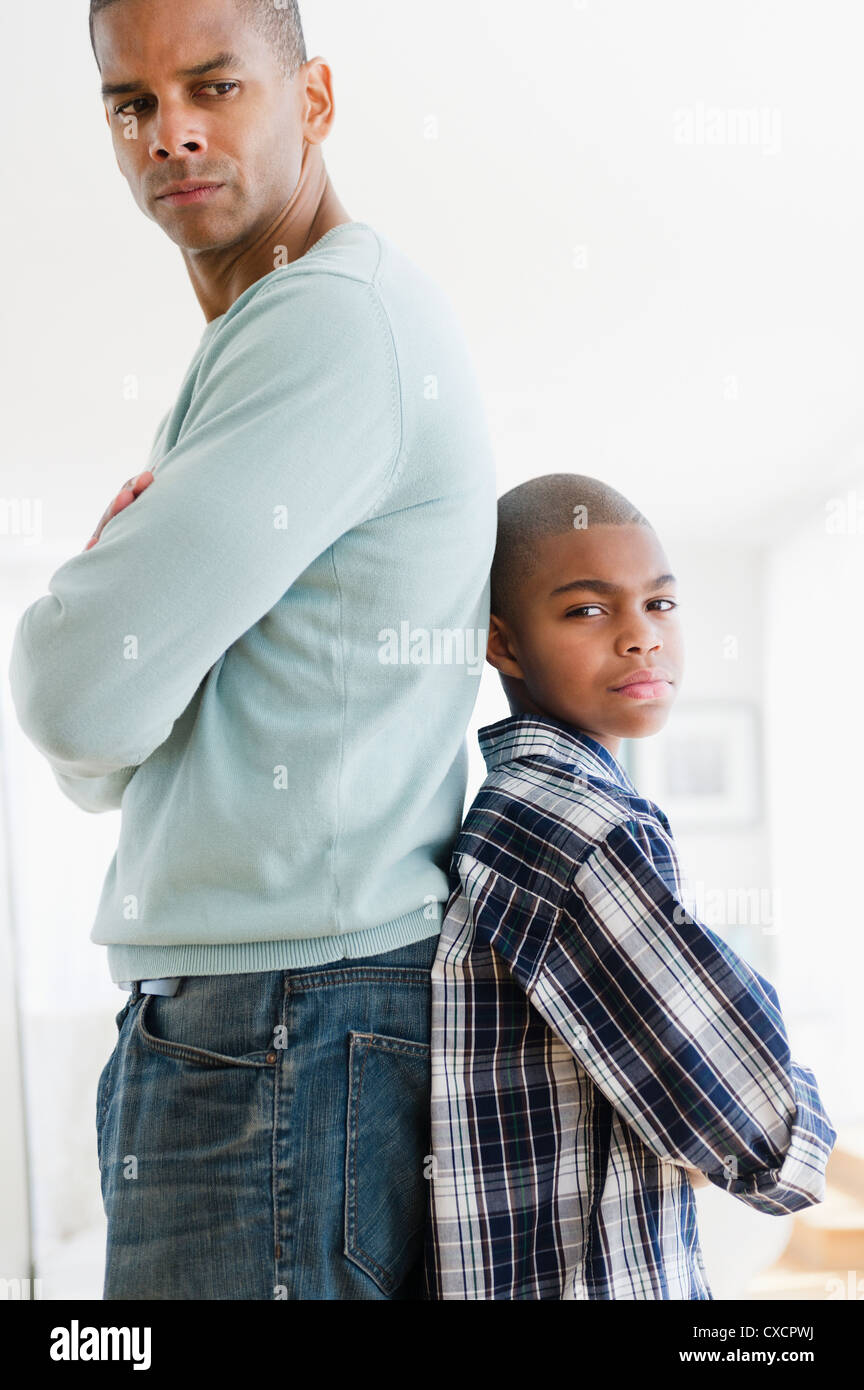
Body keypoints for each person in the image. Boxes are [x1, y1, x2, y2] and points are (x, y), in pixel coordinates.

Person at [8, 0, 496, 1299]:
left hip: (281, 1024)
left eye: (215, 85)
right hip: (272, 1025)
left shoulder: (326, 325)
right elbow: (91, 736)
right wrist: (110, 692)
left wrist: (103, 635)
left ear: (315, 101)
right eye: (133, 103)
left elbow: (70, 687)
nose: (170, 131)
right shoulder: (256, 342)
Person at [424, 473, 836, 1300]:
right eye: (587, 610)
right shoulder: (576, 827)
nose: (641, 637)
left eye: (661, 604)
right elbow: (757, 1121)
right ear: (504, 645)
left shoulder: (523, 808)